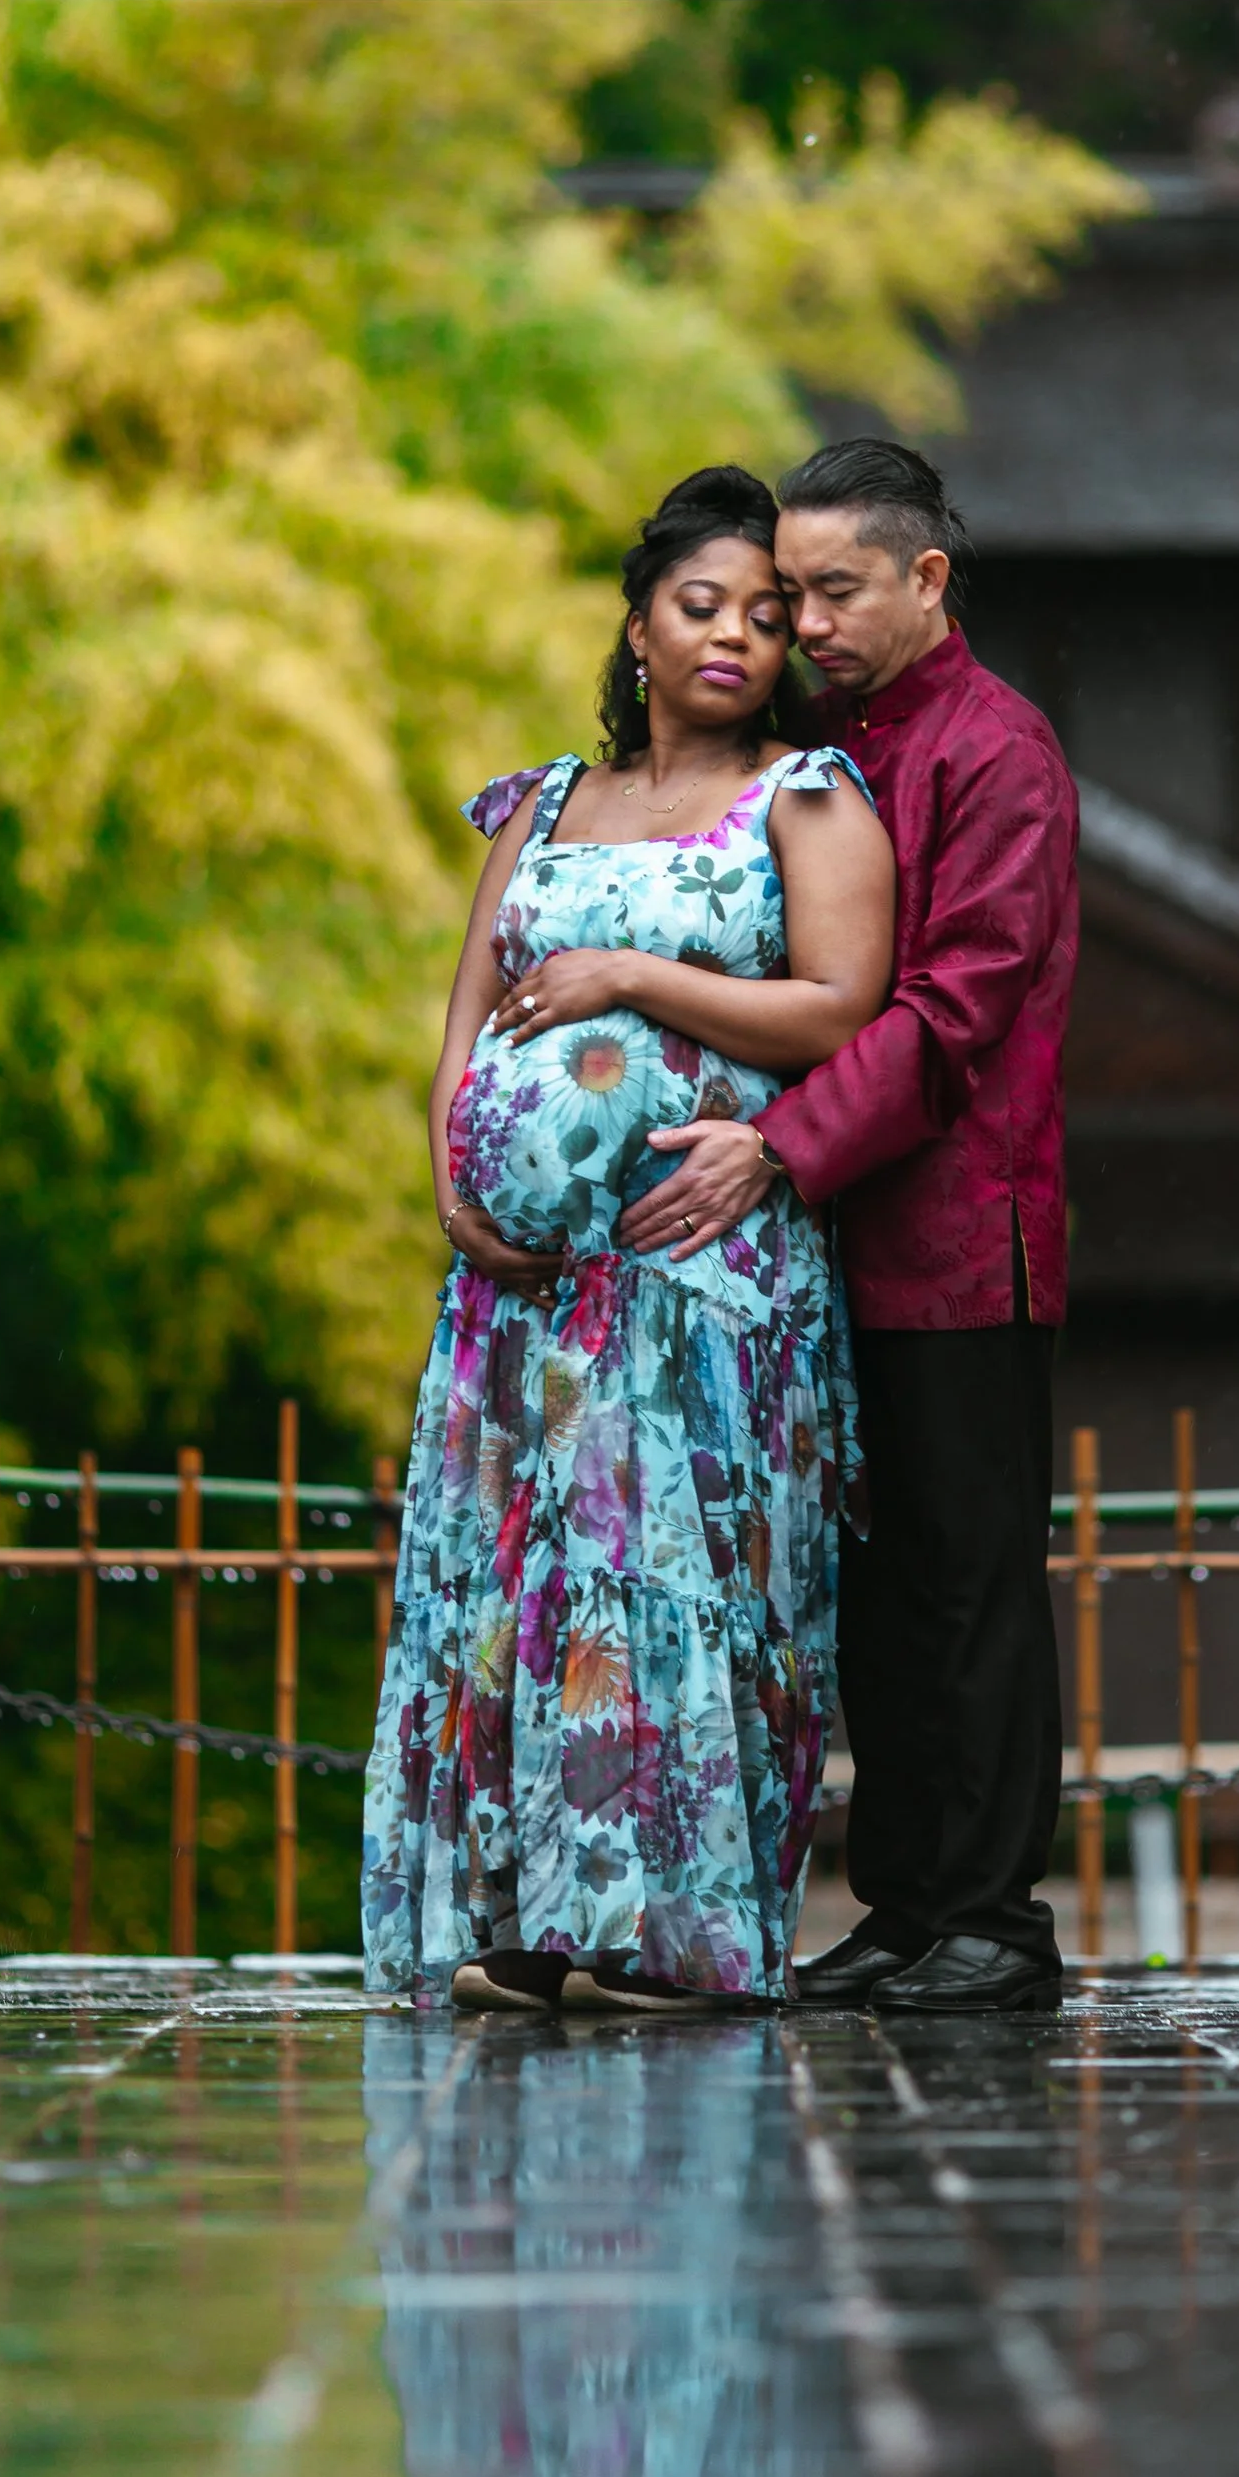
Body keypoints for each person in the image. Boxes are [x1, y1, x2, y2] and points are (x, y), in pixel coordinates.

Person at [361, 466, 895, 2015]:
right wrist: (454, 1175)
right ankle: (528, 1924)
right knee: (515, 1587)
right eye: (701, 604)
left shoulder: (807, 796)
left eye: (767, 614)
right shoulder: (538, 803)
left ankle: (677, 1937)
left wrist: (629, 979)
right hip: (515, 1305)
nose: (736, 634)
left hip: (701, 1290)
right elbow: (468, 1015)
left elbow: (839, 1005)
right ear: (641, 622)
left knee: (669, 1583)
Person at [623, 439, 1079, 2014]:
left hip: (960, 1233)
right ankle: (903, 1903)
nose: (801, 620)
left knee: (970, 1577)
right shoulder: (839, 741)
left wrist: (774, 1150)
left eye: (833, 589)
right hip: (832, 1242)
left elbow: (953, 1015)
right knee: (873, 1587)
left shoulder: (994, 751)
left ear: (926, 577)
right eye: (787, 589)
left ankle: (994, 1919)